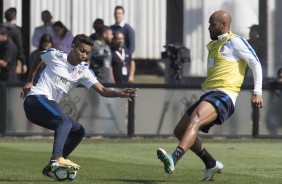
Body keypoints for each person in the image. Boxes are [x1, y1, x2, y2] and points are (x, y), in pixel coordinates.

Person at [156, 10, 263, 181]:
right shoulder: (214, 45)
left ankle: (173, 158)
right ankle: (211, 164)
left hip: (224, 95)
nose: (208, 27)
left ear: (224, 25)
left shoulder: (235, 41)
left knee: (196, 119)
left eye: (212, 24)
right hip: (209, 95)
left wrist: (257, 92)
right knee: (179, 130)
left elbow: (255, 63)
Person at [21, 34, 137, 179]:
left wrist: (119, 93)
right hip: (35, 100)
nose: (84, 55)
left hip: (42, 108)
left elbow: (102, 90)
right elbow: (38, 56)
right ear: (73, 46)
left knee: (78, 131)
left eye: (87, 53)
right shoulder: (55, 55)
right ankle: (56, 158)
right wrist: (29, 80)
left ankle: (51, 167)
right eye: (82, 50)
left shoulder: (83, 70)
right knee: (64, 122)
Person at [2, 7, 27, 78]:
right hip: (13, 61)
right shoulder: (17, 31)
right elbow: (20, 48)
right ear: (15, 17)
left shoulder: (1, 28)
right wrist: (23, 62)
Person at [265, 68, 282, 135]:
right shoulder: (274, 84)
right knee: (271, 123)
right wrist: (278, 82)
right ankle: (273, 137)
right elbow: (268, 85)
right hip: (275, 110)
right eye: (280, 74)